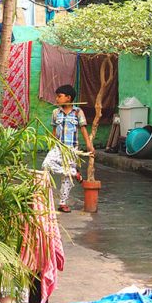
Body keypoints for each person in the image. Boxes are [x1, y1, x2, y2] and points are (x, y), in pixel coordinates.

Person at [42, 84, 94, 213]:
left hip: (72, 149)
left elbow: (83, 128)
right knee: (46, 165)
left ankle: (63, 203)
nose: (57, 99)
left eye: (59, 96)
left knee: (66, 180)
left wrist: (89, 144)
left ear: (69, 98)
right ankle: (73, 172)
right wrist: (51, 144)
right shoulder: (55, 112)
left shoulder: (78, 112)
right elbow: (54, 130)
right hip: (58, 147)